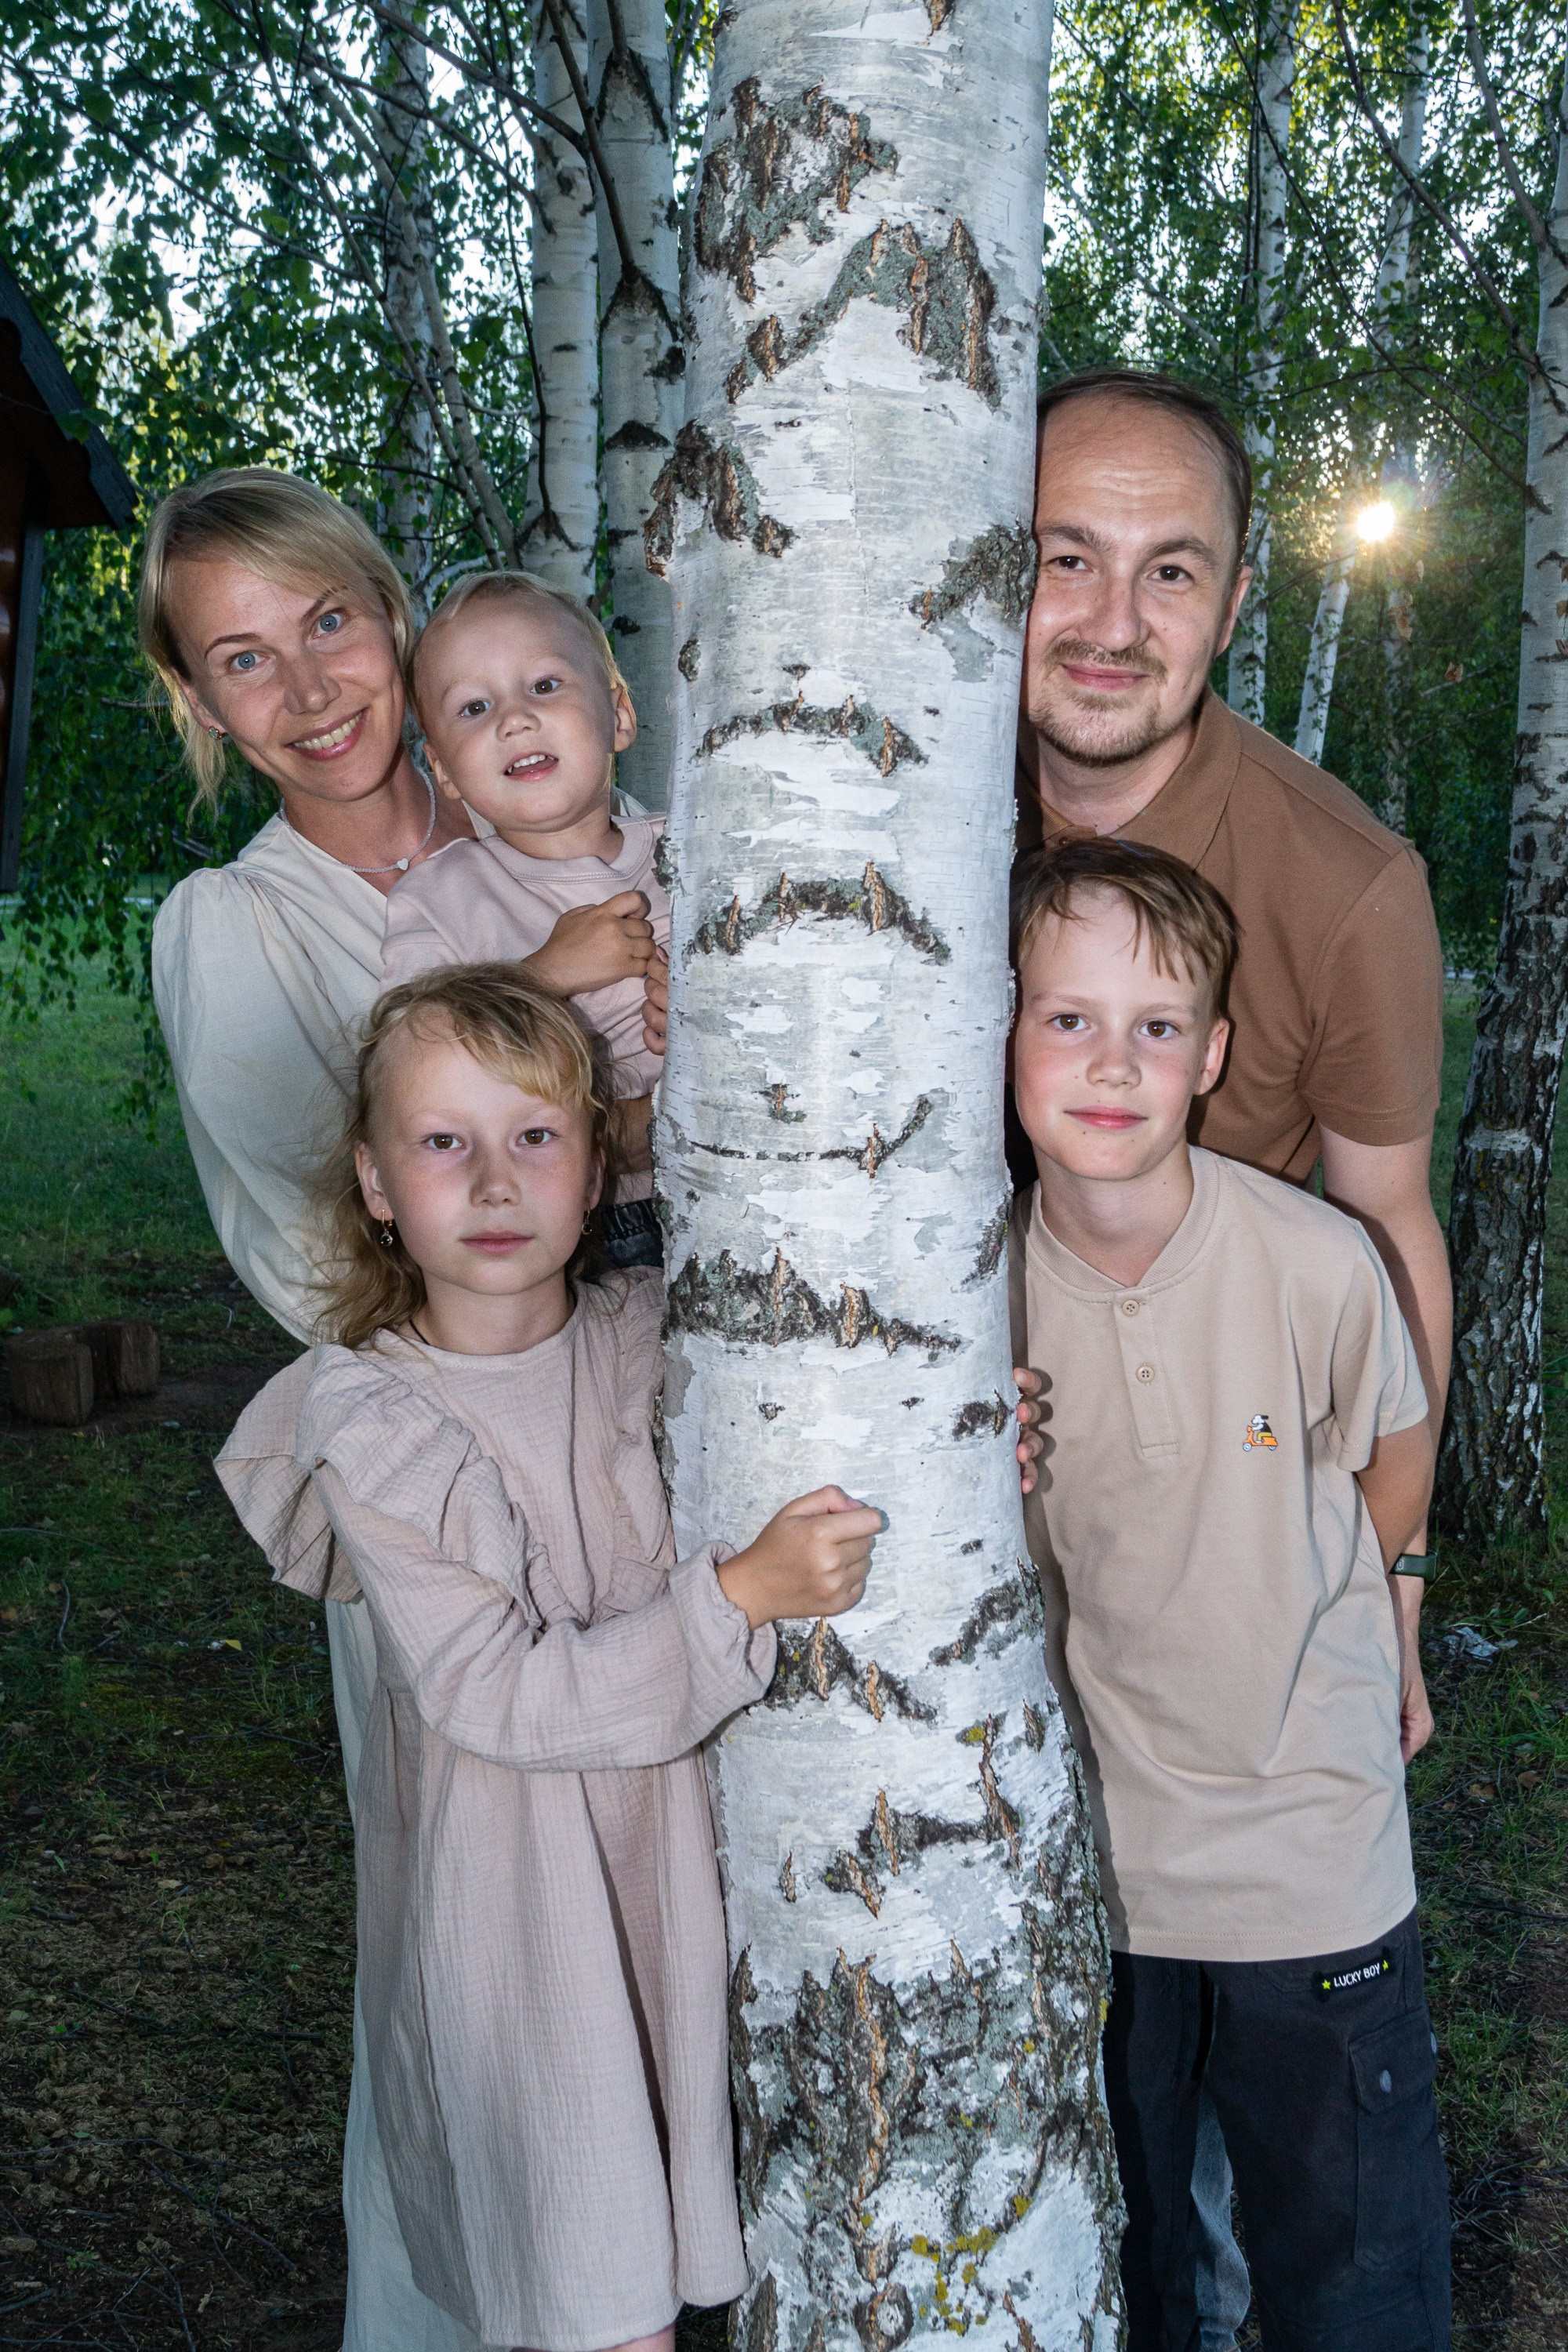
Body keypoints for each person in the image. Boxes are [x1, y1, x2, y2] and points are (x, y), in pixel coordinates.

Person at [216, 963, 880, 2352]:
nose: (494, 1181)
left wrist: (954, 1445)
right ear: (376, 1182)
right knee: (599, 2311)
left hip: (672, 1892)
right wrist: (739, 1597)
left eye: (534, 1136)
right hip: (517, 1923)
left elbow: (835, 1447)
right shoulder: (374, 1420)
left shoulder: (659, 1339)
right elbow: (498, 1691)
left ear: (594, 1169)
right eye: (442, 1143)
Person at [141, 468, 631, 2352]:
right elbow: (311, 1256)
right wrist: (544, 1021)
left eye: (329, 624)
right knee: (481, 1960)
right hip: (448, 1487)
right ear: (200, 701)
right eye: (242, 660)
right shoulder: (237, 923)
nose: (309, 688)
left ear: (394, 612)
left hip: (655, 1442)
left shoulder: (549, 811)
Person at [1015, 367, 1451, 2345]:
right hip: (996, 1603)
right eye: (1062, 558)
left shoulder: (1337, 883)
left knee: (1310, 2215)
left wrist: (1397, 1587)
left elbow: (1391, 1243)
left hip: (1240, 1611)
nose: (1111, 620)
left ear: (1234, 595)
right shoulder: (874, 798)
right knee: (1094, 2207)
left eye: (1168, 569)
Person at [383, 568, 667, 1269]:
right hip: (569, 1229)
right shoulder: (440, 898)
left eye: (544, 685)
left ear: (619, 716)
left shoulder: (699, 855)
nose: (513, 719)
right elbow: (411, 1062)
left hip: (742, 1178)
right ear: (444, 771)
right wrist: (542, 977)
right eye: (474, 707)